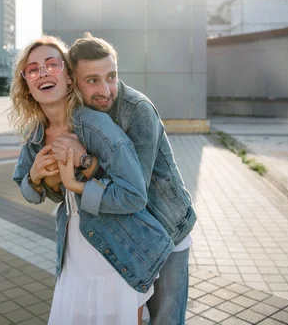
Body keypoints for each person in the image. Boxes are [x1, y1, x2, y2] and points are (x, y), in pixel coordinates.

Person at [10, 36, 174, 325]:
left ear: (70, 79)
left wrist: (76, 185)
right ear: (27, 85)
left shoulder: (97, 126)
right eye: (33, 70)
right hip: (73, 255)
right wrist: (35, 176)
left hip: (118, 252)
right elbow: (29, 191)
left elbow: (134, 195)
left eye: (52, 65)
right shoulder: (36, 134)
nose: (43, 73)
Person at [49, 33, 197, 325]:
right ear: (73, 82)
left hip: (167, 231)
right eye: (92, 80)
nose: (106, 89)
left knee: (166, 320)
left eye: (112, 76)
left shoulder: (138, 111)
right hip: (131, 234)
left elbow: (133, 193)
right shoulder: (77, 115)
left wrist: (85, 165)